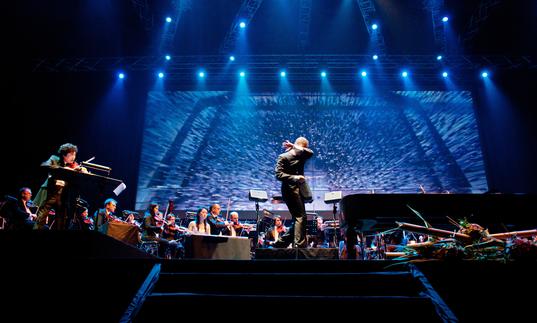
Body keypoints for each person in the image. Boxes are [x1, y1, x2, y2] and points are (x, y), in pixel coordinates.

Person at [33, 143, 88, 230]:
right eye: (71, 154)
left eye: (75, 154)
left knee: (61, 219)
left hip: (63, 196)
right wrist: (63, 169)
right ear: (64, 154)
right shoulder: (54, 159)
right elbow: (44, 165)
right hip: (51, 193)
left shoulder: (74, 165)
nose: (73, 157)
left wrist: (83, 171)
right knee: (42, 217)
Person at [275, 137, 314, 248]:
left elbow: (311, 153)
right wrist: (295, 178)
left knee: (299, 218)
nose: (303, 152)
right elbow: (278, 175)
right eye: (302, 149)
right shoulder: (283, 157)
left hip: (299, 191)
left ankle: (281, 243)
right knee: (300, 217)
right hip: (289, 190)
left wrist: (295, 146)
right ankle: (299, 245)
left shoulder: (301, 155)